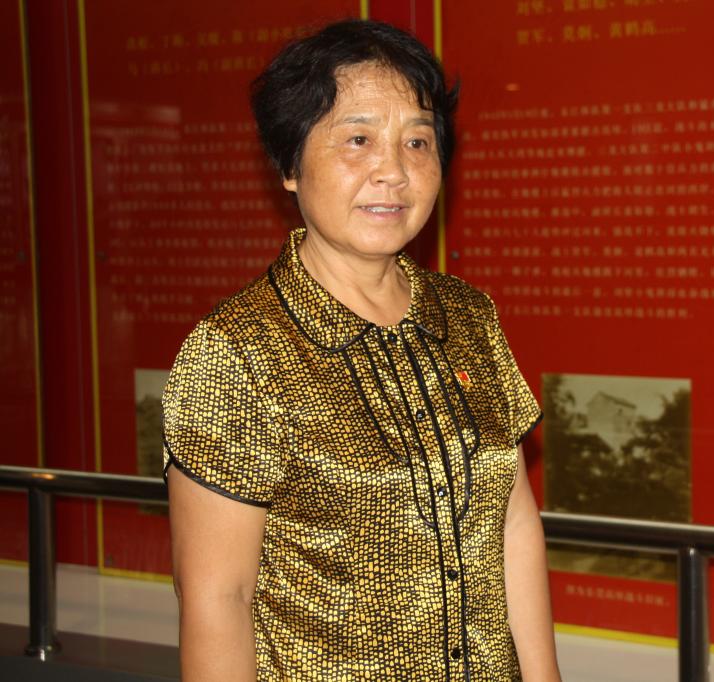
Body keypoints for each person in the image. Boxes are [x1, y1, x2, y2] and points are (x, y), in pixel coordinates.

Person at [162, 18, 561, 681]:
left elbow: (514, 526)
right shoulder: (236, 352)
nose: (394, 172)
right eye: (358, 139)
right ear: (290, 165)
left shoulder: (469, 317)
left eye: (417, 141)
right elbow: (217, 597)